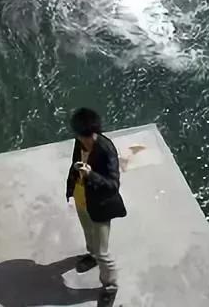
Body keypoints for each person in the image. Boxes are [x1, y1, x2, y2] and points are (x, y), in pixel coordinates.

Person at [65, 108, 126, 301]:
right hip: (82, 198)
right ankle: (91, 256)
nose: (85, 141)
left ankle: (110, 286)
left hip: (100, 205)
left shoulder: (106, 150)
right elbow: (75, 162)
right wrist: (71, 186)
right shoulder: (79, 142)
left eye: (88, 137)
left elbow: (113, 186)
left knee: (103, 252)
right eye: (82, 137)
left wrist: (91, 175)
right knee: (88, 234)